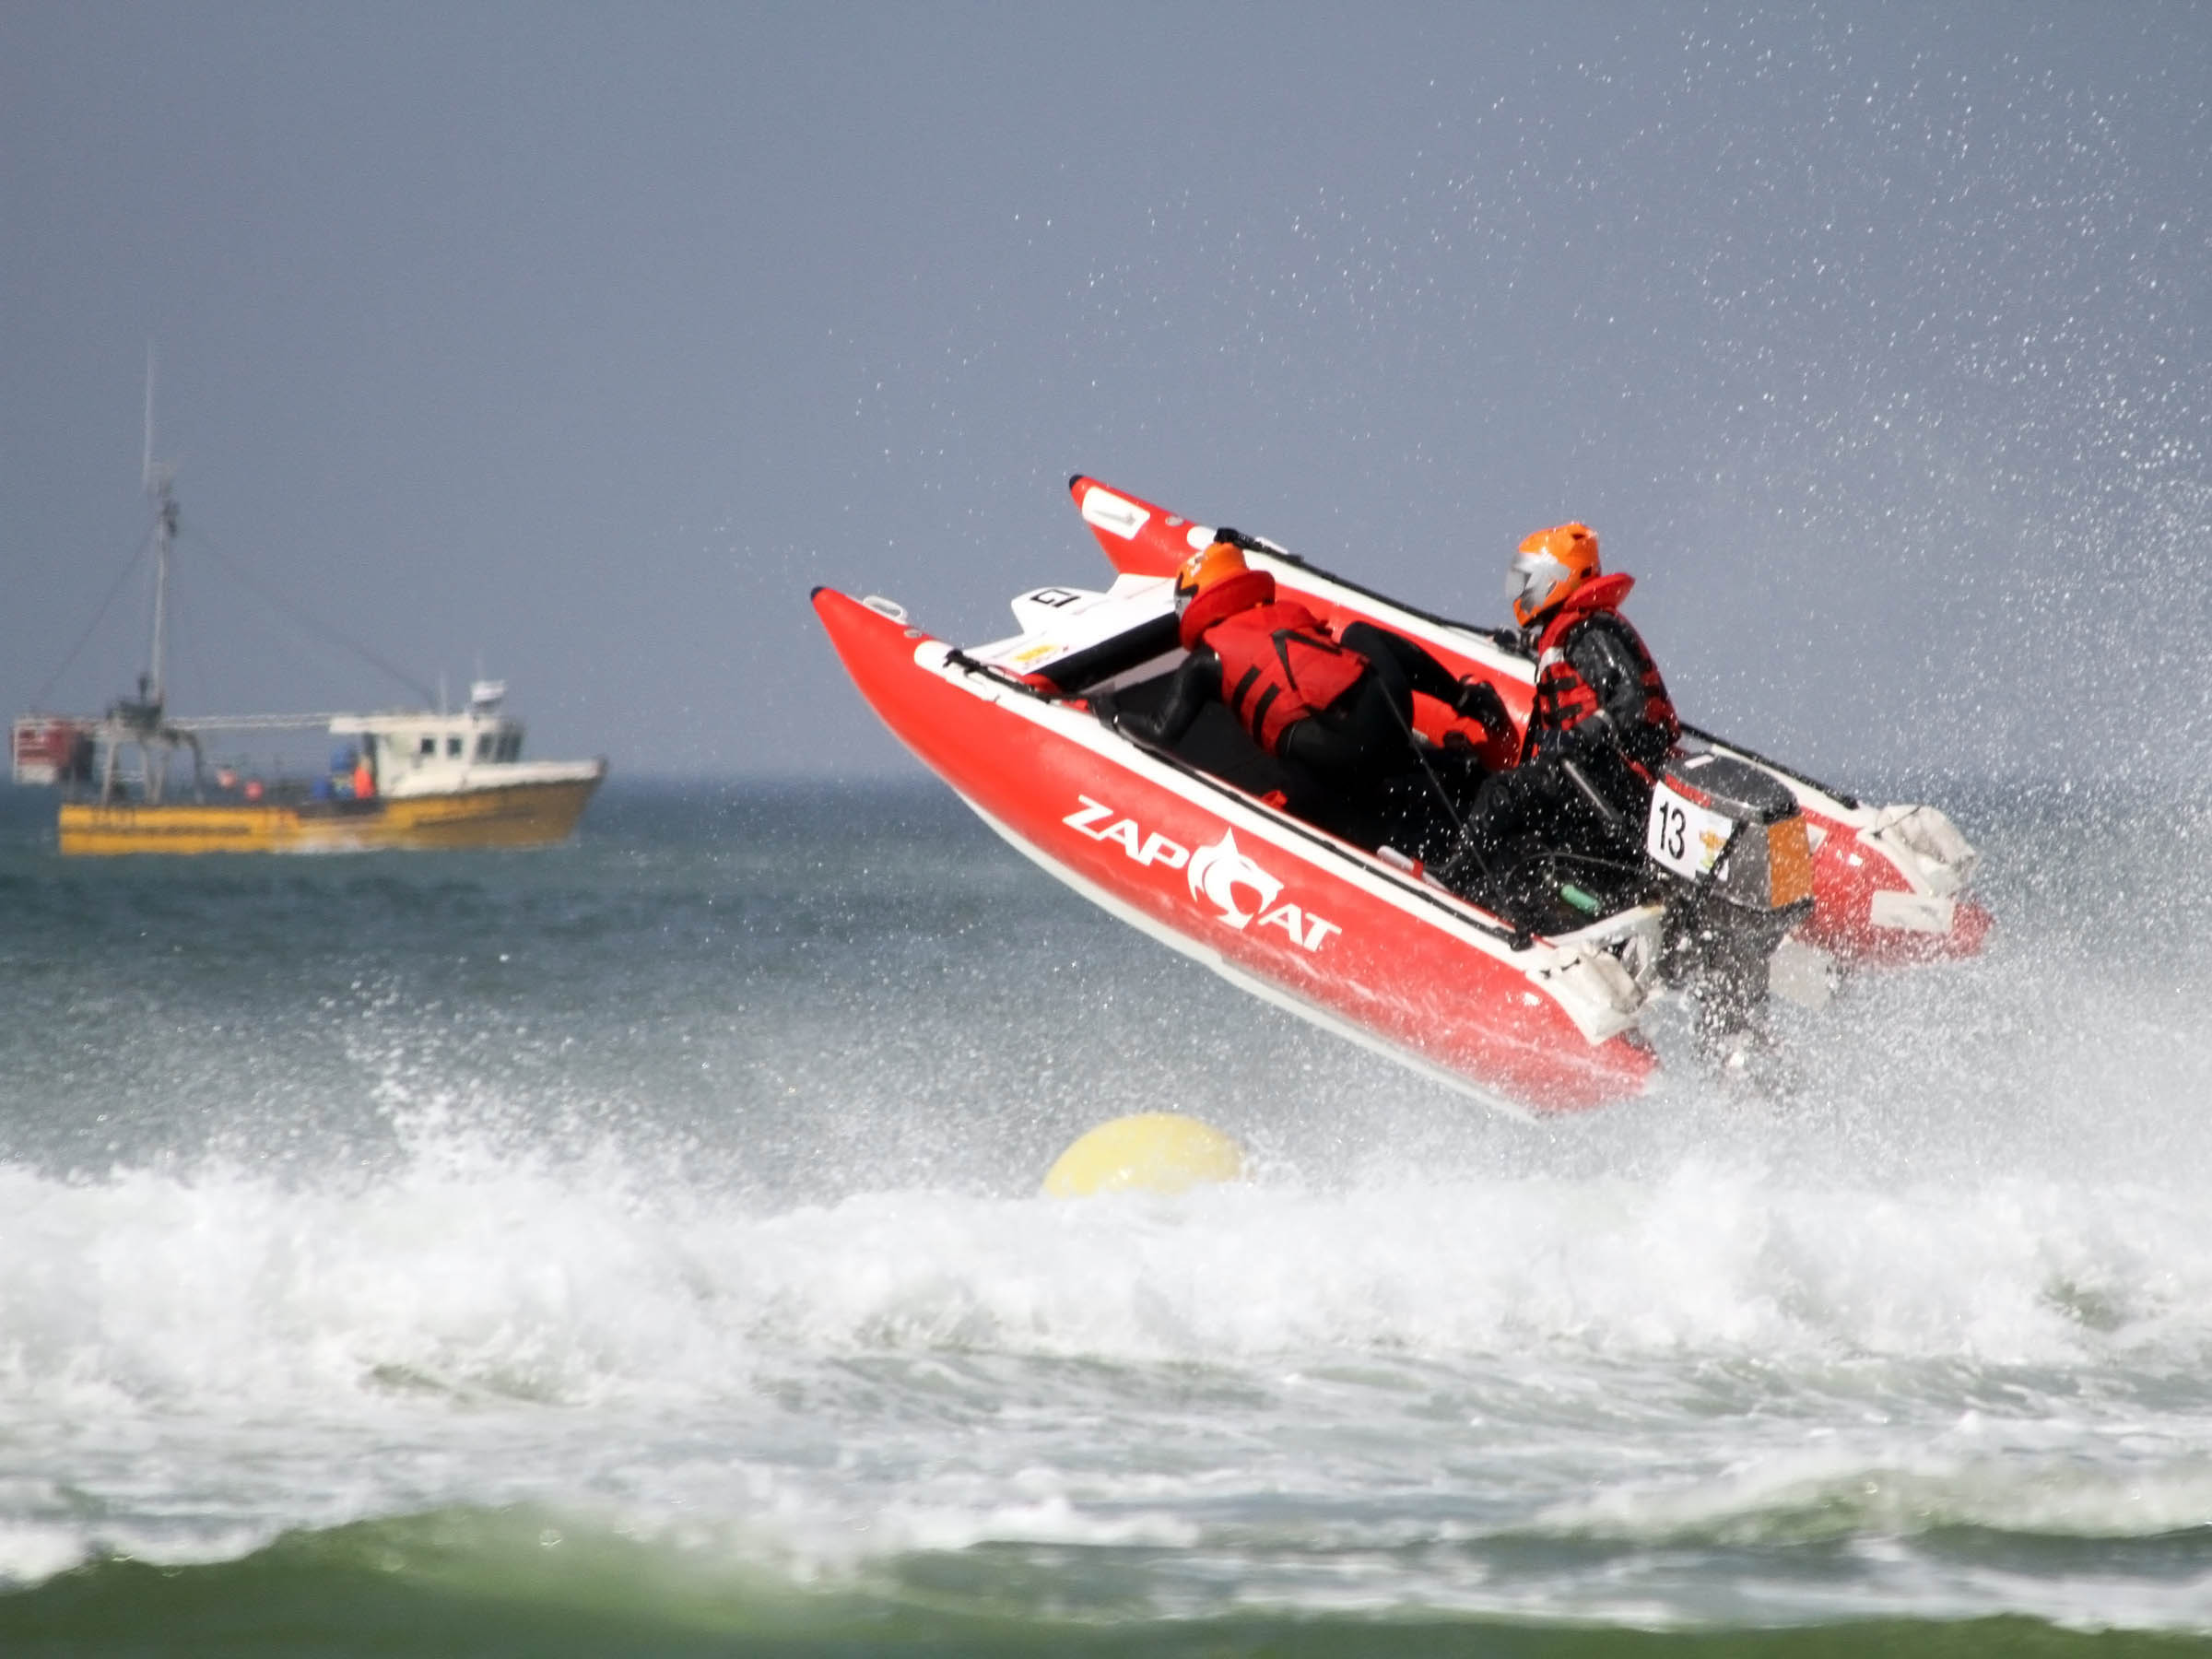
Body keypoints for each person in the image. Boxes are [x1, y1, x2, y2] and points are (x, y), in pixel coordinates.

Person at [1100, 539, 1507, 831]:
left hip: (1340, 756)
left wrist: (1109, 713)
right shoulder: (1287, 613)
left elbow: (1161, 730)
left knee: (1300, 757)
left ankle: (1379, 823)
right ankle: (1465, 702)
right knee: (1359, 635)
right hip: (1391, 711)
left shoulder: (1206, 661)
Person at [1458, 522, 1679, 866]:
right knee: (1527, 839)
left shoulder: (1591, 631)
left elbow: (1632, 703)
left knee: (1501, 794)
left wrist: (1578, 737)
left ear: (1555, 577)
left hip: (1610, 779)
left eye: (1528, 580)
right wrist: (1524, 642)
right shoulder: (1580, 630)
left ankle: (1453, 875)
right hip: (1596, 777)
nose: (1522, 590)